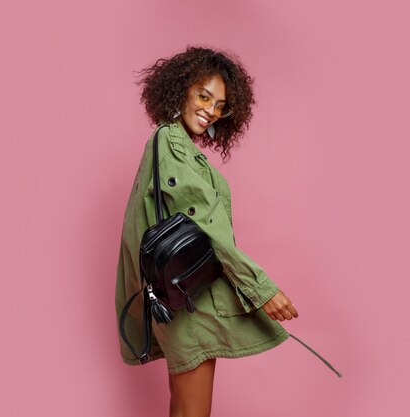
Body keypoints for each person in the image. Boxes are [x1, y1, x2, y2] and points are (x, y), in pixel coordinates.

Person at [115, 46, 299, 417]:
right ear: (181, 89)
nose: (211, 110)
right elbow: (206, 224)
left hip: (178, 295)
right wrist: (261, 289)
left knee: (184, 408)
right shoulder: (171, 144)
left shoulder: (171, 144)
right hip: (186, 301)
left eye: (220, 105)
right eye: (204, 96)